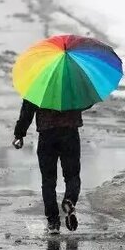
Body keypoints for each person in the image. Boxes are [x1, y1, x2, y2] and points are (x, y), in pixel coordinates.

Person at [13, 99, 83, 234]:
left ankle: (53, 222)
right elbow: (85, 102)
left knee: (48, 181)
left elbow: (27, 109)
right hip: (70, 132)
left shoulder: (39, 83)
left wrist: (19, 134)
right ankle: (70, 200)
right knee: (72, 175)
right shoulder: (73, 82)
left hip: (47, 134)